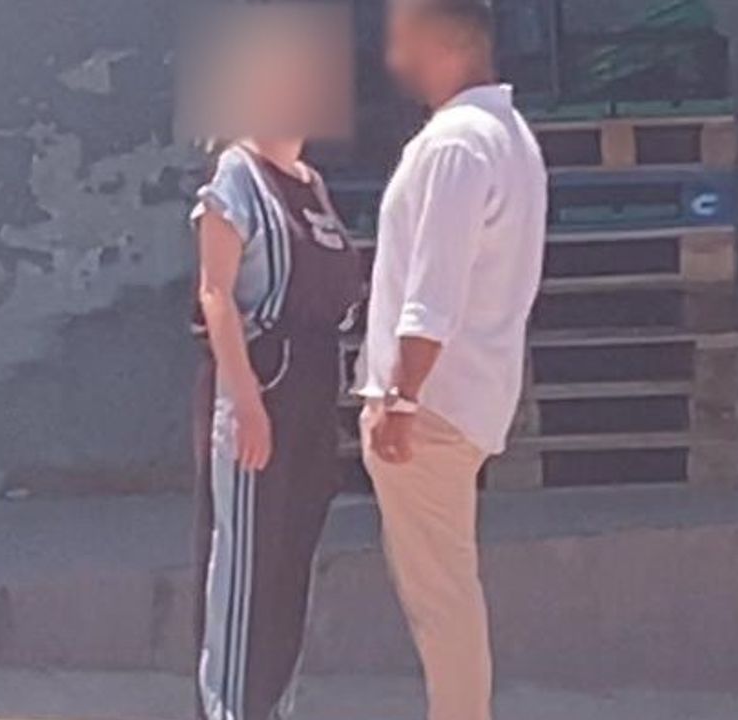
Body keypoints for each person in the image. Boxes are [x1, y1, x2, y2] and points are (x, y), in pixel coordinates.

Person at [355, 1, 548, 719]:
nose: (394, 58)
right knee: (445, 592)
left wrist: (400, 399)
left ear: (443, 39)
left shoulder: (456, 145)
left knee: (441, 600)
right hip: (464, 400)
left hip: (430, 405)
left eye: (405, 38)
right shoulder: (509, 137)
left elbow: (431, 295)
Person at [191, 134, 362, 720]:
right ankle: (230, 710)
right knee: (249, 565)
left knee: (292, 562)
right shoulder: (238, 173)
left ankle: (274, 707)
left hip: (316, 384)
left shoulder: (312, 185)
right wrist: (245, 402)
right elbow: (215, 293)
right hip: (262, 382)